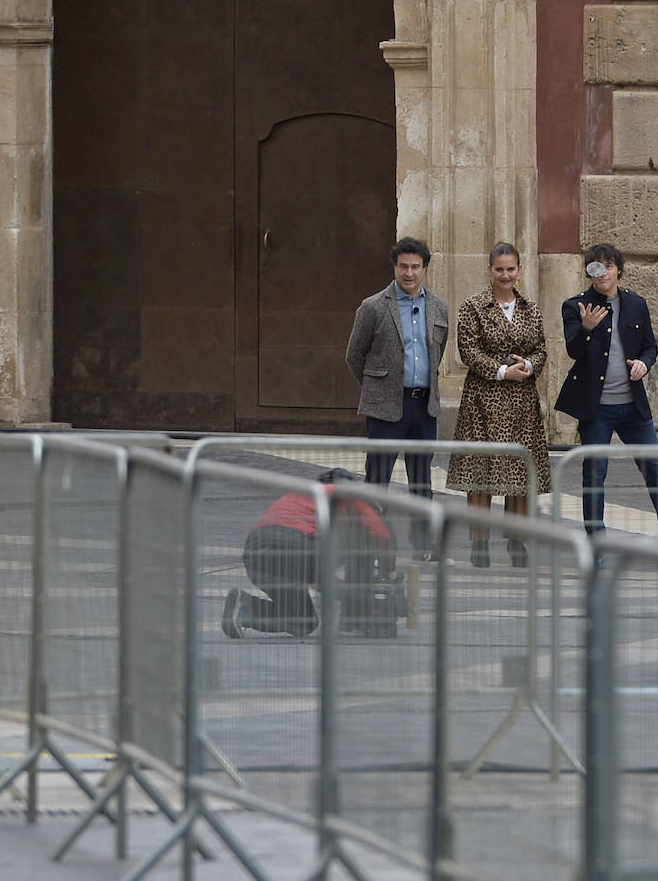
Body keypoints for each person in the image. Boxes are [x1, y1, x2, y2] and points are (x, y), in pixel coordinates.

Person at [554, 243, 658, 537]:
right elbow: (573, 351)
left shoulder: (636, 304)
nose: (602, 273)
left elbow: (651, 346)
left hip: (633, 407)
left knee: (654, 467)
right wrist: (586, 327)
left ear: (618, 270)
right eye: (596, 267)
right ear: (589, 271)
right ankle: (596, 541)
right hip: (596, 408)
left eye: (608, 266)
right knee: (594, 474)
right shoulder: (576, 306)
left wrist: (644, 364)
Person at [447, 242, 552, 568]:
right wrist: (504, 371)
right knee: (481, 471)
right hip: (483, 401)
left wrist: (530, 366)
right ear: (490, 270)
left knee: (519, 472)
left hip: (521, 403)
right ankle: (480, 542)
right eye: (499, 269)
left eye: (511, 269)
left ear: (519, 270)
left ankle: (517, 541)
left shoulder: (531, 309)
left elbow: (541, 349)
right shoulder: (473, 307)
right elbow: (468, 350)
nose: (505, 275)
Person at [345, 237, 449, 559]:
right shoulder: (374, 306)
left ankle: (423, 546)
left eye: (415, 267)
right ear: (394, 267)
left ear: (425, 269)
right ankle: (371, 545)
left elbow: (438, 350)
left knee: (422, 478)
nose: (409, 273)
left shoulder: (439, 307)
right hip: (386, 405)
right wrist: (377, 387)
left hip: (423, 405)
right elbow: (354, 355)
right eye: (403, 266)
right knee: (378, 476)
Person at [222, 469, 402, 639]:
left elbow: (318, 580)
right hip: (288, 544)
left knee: (304, 622)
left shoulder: (302, 498)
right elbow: (382, 533)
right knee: (363, 536)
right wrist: (388, 578)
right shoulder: (345, 493)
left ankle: (245, 607)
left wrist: (362, 596)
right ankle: (357, 618)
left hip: (256, 558)